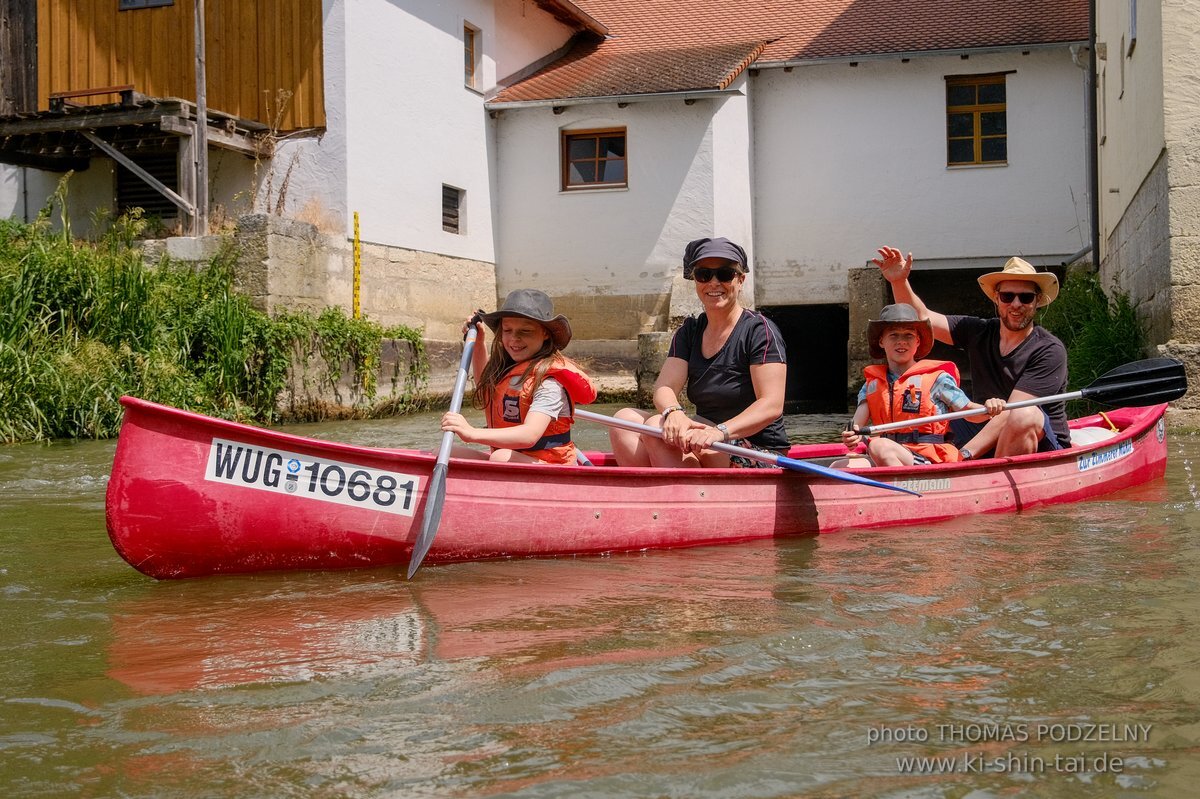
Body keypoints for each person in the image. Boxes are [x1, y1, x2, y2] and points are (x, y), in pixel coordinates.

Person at [873, 246, 1071, 459]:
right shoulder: (979, 330)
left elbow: (1012, 412)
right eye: (1007, 296)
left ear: (1037, 301)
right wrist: (898, 281)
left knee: (1024, 415)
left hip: (1038, 443)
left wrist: (964, 456)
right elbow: (922, 317)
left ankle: (969, 471)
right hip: (985, 428)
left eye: (1025, 297)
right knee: (946, 407)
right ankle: (918, 458)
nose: (1016, 304)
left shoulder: (1049, 350)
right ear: (996, 298)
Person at [608, 237, 788, 468]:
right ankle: (647, 495)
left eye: (724, 274)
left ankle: (680, 497)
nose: (713, 283)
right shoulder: (690, 330)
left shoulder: (759, 331)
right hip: (706, 435)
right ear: (695, 280)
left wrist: (719, 432)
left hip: (755, 448)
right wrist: (674, 413)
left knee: (655, 426)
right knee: (625, 420)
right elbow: (665, 387)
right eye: (704, 274)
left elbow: (771, 405)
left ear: (740, 280)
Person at [440, 288, 596, 464]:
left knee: (500, 456)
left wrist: (472, 433)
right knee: (444, 451)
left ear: (545, 333)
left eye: (525, 331)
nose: (514, 338)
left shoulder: (549, 383)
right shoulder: (509, 369)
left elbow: (529, 434)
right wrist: (479, 342)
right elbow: (485, 387)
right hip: (512, 459)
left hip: (553, 467)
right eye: (507, 330)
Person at [840, 303, 989, 467]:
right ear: (881, 341)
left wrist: (989, 409)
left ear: (918, 341)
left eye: (908, 335)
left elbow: (969, 412)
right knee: (839, 467)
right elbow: (857, 426)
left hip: (928, 459)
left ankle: (906, 489)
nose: (901, 341)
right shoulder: (871, 384)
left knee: (879, 445)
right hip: (887, 454)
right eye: (894, 335)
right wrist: (852, 436)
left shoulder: (938, 379)